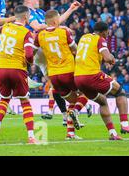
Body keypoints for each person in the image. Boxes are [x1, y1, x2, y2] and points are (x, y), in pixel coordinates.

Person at [21, 0, 90, 124]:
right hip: (40, 46)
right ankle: (77, 106)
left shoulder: (40, 12)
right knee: (68, 73)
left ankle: (65, 115)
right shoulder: (26, 11)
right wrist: (58, 28)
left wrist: (70, 9)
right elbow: (37, 27)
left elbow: (54, 21)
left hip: (46, 47)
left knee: (56, 83)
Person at [74, 21, 129, 140]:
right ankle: (125, 125)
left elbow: (90, 55)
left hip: (78, 77)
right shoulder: (100, 39)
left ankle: (113, 134)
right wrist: (112, 59)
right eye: (107, 32)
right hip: (91, 75)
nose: (107, 35)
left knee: (103, 101)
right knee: (120, 92)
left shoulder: (84, 37)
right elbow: (108, 57)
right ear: (104, 32)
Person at [34, 10, 90, 140]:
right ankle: (76, 112)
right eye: (59, 19)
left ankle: (70, 133)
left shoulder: (40, 36)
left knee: (72, 101)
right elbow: (75, 49)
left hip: (53, 75)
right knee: (88, 91)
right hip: (69, 71)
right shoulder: (63, 32)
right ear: (55, 21)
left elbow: (32, 52)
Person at [0, 5, 37, 144]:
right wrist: (31, 62)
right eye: (29, 16)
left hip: (2, 68)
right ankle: (31, 136)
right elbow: (28, 54)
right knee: (24, 101)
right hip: (17, 69)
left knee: (4, 99)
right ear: (25, 17)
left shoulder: (6, 28)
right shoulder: (26, 33)